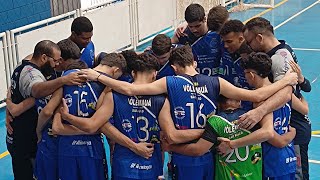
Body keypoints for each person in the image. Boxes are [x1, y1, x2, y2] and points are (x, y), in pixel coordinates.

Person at [79, 45, 298, 180]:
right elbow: (258, 95)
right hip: (210, 156)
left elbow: (129, 89)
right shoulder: (216, 82)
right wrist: (287, 81)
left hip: (183, 157)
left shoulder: (170, 82)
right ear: (194, 62)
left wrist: (97, 76)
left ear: (174, 67)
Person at [162, 52, 297, 180]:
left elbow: (268, 133)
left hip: (271, 163)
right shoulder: (284, 93)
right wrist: (292, 134)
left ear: (251, 74)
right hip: (288, 158)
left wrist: (232, 144)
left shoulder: (256, 103)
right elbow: (304, 108)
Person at [242, 17, 312, 179]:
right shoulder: (278, 51)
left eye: (249, 42)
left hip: (293, 128)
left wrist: (260, 111)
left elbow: (286, 94)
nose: (249, 47)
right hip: (285, 127)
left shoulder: (279, 59)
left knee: (297, 176)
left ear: (259, 38)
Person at [5, 40, 82, 180]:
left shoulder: (29, 64)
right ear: (44, 57)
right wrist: (63, 81)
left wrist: (9, 105)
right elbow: (37, 91)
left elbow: (12, 97)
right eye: (55, 61)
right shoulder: (31, 74)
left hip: (21, 136)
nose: (57, 64)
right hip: (24, 140)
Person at [53, 53, 126, 180]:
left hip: (66, 147)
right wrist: (91, 129)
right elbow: (97, 127)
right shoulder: (108, 86)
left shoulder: (68, 76)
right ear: (116, 70)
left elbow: (56, 127)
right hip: (91, 148)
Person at [33, 39, 82, 180]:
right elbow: (48, 111)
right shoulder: (62, 82)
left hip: (48, 142)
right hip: (57, 142)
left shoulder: (45, 74)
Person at [219, 19, 253, 110]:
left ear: (241, 39)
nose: (225, 45)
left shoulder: (254, 56)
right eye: (224, 42)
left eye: (229, 42)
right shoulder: (224, 47)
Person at [190, 5, 229, 76]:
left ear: (205, 19)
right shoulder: (184, 35)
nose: (194, 30)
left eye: (197, 26)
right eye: (190, 26)